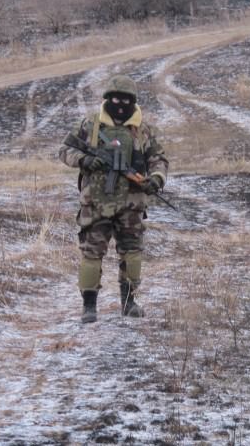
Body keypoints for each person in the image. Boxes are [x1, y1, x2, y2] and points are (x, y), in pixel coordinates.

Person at [59, 74, 169, 323]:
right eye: (115, 98)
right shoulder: (90, 125)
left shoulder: (143, 131)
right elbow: (65, 150)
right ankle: (89, 307)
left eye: (126, 100)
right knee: (91, 254)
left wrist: (156, 179)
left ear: (134, 101)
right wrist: (85, 160)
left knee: (132, 254)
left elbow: (159, 160)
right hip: (95, 203)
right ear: (107, 99)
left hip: (131, 204)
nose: (120, 104)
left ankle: (129, 303)